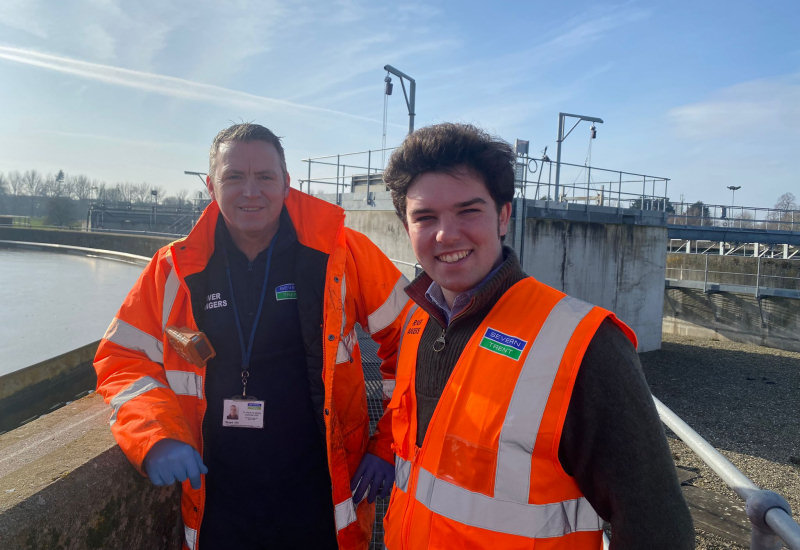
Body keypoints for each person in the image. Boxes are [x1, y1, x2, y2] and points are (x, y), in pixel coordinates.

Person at [379, 123, 694, 549]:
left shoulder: (582, 344)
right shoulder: (418, 322)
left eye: (468, 211)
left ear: (504, 215)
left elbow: (657, 528)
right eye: (425, 217)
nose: (446, 234)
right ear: (406, 227)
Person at [94, 123, 408, 550]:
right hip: (217, 495)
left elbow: (416, 340)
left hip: (320, 491)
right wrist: (154, 434)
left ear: (286, 184)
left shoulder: (340, 254)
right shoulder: (174, 269)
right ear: (210, 186)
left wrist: (388, 443)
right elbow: (122, 359)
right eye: (234, 177)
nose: (251, 191)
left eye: (265, 176)